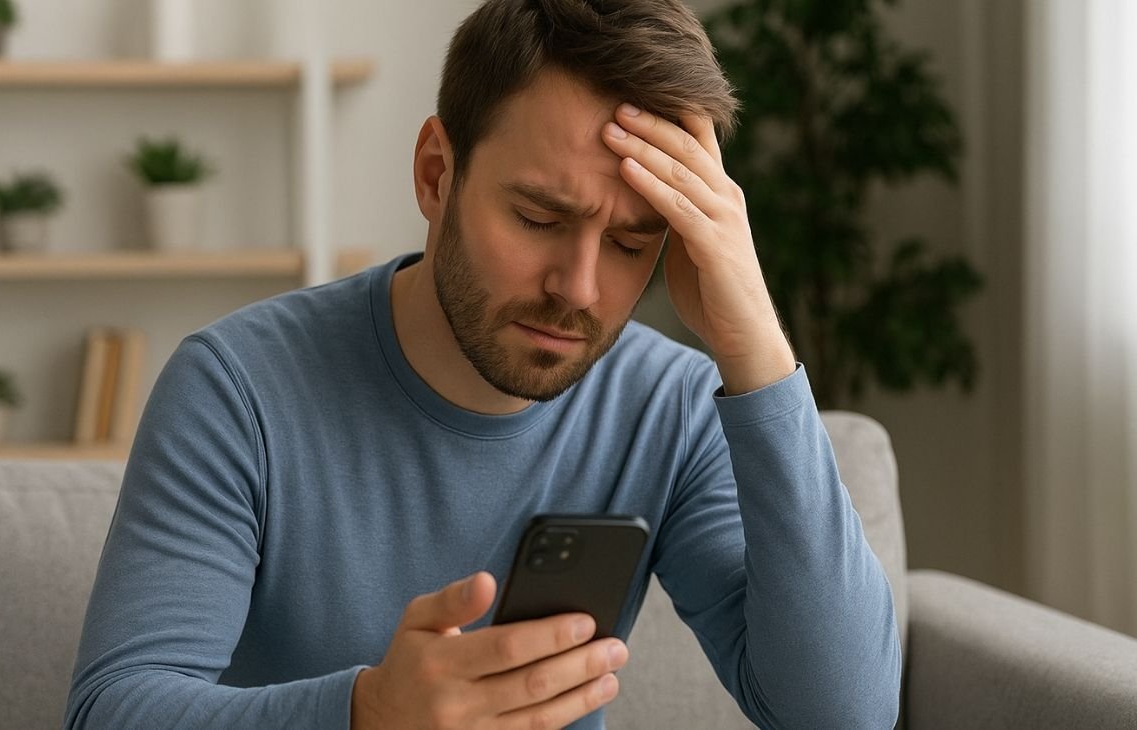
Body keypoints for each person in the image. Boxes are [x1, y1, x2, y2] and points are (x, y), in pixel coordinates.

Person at [64, 0, 901, 728]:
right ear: (437, 174)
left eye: (629, 243)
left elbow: (844, 714)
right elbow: (114, 710)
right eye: (539, 217)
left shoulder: (671, 408)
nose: (578, 287)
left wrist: (752, 342)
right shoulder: (236, 389)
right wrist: (366, 716)